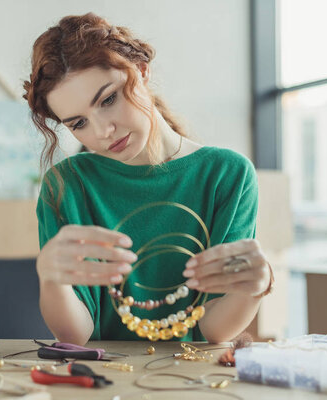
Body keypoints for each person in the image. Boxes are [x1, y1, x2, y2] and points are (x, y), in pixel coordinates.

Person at [23, 12, 273, 345]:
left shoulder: (227, 175)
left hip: (195, 383)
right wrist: (51, 279)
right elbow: (75, 335)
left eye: (108, 99)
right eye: (78, 123)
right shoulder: (66, 185)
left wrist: (257, 286)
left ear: (140, 71)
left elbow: (215, 330)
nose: (102, 132)